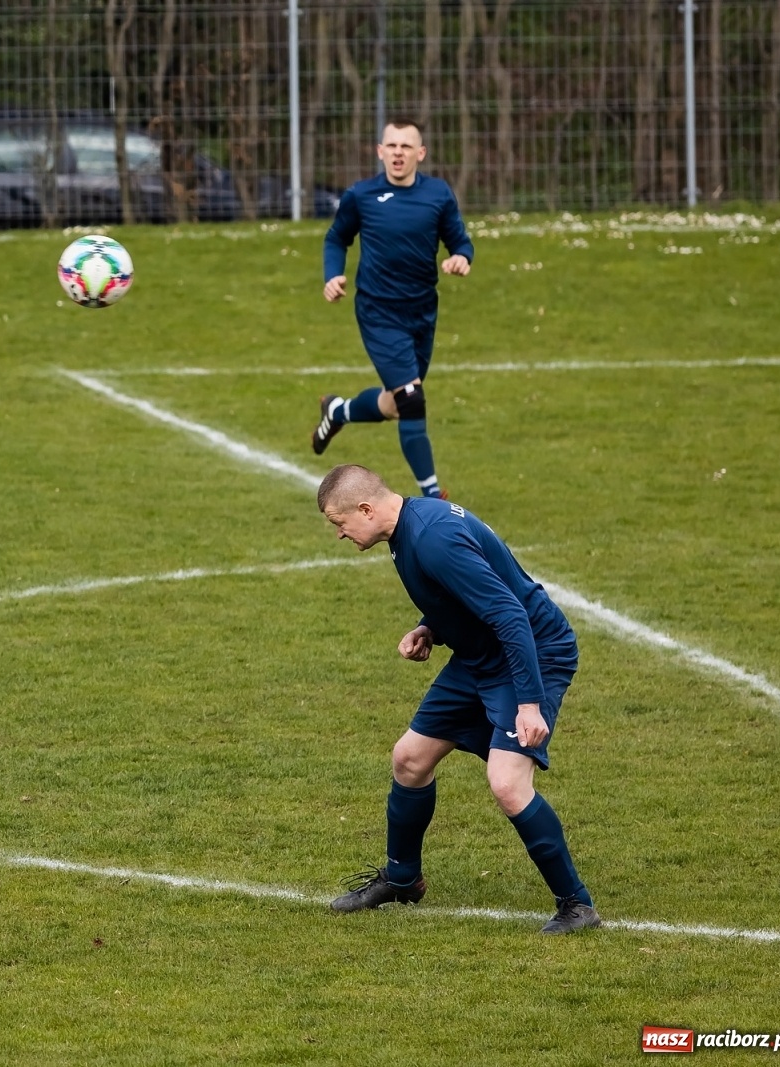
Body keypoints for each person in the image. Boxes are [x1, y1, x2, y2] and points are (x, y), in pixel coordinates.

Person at [316, 463, 599, 934]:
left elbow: (510, 614)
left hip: (528, 651)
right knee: (408, 759)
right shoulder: (406, 530)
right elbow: (460, 595)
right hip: (479, 655)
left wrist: (529, 703)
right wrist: (430, 627)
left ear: (365, 508)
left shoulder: (433, 538)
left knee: (507, 783)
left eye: (339, 523)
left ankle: (577, 904)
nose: (340, 534)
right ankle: (403, 880)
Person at [311, 120, 474, 501]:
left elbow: (460, 242)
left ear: (421, 153)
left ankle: (338, 411)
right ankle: (432, 495)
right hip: (378, 312)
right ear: (379, 151)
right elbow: (337, 237)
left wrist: (461, 258)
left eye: (406, 146)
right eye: (391, 145)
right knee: (412, 398)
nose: (398, 152)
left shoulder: (437, 194)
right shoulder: (362, 195)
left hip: (422, 313)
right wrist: (333, 275)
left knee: (397, 403)